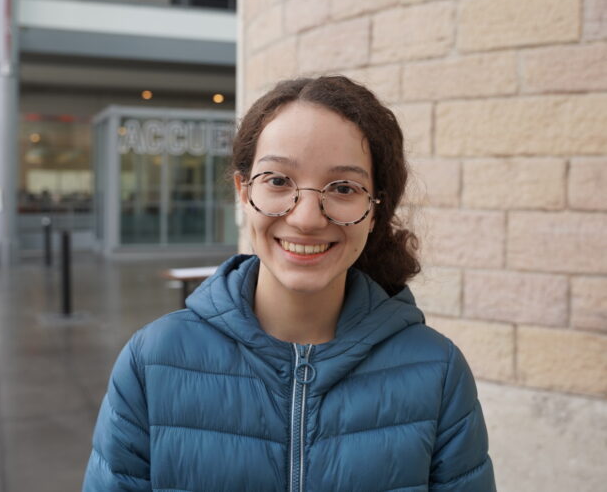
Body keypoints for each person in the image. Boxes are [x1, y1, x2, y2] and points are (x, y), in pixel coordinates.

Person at [83, 76, 496, 491]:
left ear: (375, 210)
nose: (306, 217)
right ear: (242, 191)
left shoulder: (437, 373)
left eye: (343, 188)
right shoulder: (152, 361)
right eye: (278, 181)